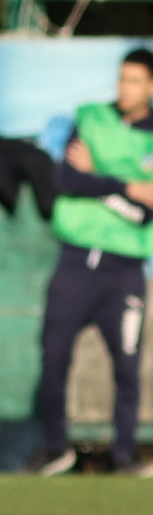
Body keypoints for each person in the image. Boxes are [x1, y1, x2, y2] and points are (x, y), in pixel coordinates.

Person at [34, 48, 153, 478]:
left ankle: (123, 456)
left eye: (135, 81)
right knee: (53, 356)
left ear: (151, 87)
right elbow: (67, 178)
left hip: (124, 271)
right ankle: (54, 449)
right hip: (74, 262)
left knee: (126, 364)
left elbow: (147, 210)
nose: (125, 88)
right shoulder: (90, 117)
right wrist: (123, 183)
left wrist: (98, 177)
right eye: (122, 79)